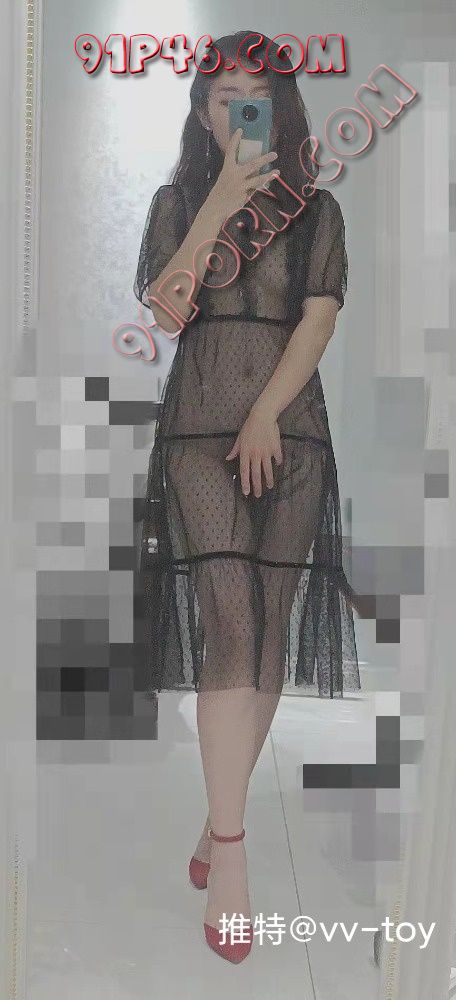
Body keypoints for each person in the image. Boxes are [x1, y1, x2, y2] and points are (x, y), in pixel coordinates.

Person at [134, 30, 360, 962]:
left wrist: (267, 413)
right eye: (222, 94)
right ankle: (230, 851)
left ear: (283, 109)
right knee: (230, 625)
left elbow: (318, 321)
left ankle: (212, 814)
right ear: (202, 112)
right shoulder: (176, 203)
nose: (238, 107)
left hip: (289, 431)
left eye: (254, 94)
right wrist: (221, 202)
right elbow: (166, 310)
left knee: (266, 634)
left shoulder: (317, 210)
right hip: (198, 434)